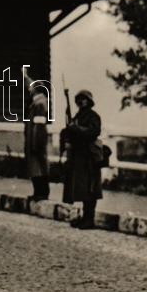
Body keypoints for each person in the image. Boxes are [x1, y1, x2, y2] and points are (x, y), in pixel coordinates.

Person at [61, 90, 103, 230]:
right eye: (79, 99)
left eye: (84, 99)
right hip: (79, 156)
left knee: (90, 189)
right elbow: (71, 131)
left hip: (89, 157)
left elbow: (93, 132)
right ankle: (85, 218)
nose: (81, 101)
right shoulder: (78, 115)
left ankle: (89, 219)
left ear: (89, 101)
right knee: (82, 188)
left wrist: (76, 128)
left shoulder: (93, 116)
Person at [23, 67, 50, 202]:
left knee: (38, 167)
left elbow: (39, 126)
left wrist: (35, 143)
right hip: (34, 140)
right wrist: (25, 76)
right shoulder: (39, 102)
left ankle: (41, 192)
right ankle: (39, 192)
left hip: (36, 141)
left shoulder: (39, 104)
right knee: (36, 167)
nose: (29, 89)